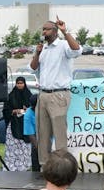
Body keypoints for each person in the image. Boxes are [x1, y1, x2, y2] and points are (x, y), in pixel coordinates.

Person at [29, 18, 81, 164]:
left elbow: (76, 50)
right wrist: (37, 53)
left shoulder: (63, 45)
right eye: (43, 29)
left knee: (59, 134)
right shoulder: (43, 49)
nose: (43, 32)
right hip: (43, 95)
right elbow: (32, 68)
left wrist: (65, 31)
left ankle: (62, 167)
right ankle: (45, 167)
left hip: (58, 94)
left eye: (46, 29)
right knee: (43, 134)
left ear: (55, 31)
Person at [3, 76, 38, 172]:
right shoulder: (11, 96)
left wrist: (28, 109)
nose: (19, 85)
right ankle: (12, 166)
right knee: (13, 147)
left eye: (21, 83)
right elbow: (6, 111)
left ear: (24, 84)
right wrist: (15, 111)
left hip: (26, 125)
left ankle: (25, 166)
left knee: (25, 147)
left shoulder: (29, 95)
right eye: (18, 83)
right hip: (14, 125)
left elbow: (34, 108)